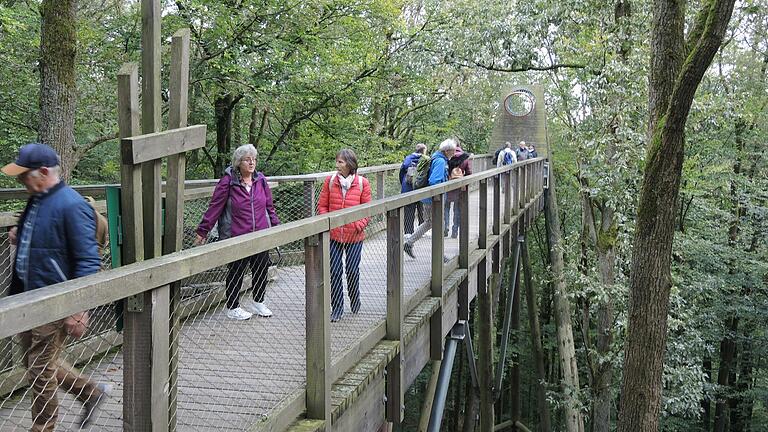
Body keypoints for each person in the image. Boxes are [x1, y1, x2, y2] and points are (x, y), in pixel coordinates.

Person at [2, 143, 109, 431]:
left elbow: (87, 260)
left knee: (39, 369)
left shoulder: (71, 205)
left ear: (44, 172)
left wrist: (77, 309)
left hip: (54, 300)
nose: (21, 181)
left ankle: (43, 427)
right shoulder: (38, 199)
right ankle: (90, 392)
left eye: (25, 175)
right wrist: (21, 234)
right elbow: (47, 238)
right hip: (27, 296)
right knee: (36, 361)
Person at [195, 144, 280, 320]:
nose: (251, 162)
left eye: (254, 159)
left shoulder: (260, 180)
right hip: (237, 235)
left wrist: (277, 227)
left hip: (260, 234)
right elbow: (215, 207)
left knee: (261, 268)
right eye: (247, 159)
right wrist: (203, 230)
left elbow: (269, 206)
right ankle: (233, 307)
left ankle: (258, 302)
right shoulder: (228, 182)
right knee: (237, 270)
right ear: (238, 162)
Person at [317, 149, 372, 322]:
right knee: (334, 272)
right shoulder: (330, 181)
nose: (337, 165)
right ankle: (338, 308)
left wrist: (358, 225)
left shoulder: (363, 183)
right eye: (337, 161)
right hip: (333, 235)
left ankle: (355, 300)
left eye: (340, 162)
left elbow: (367, 210)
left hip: (354, 237)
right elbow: (322, 205)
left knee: (352, 271)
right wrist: (328, 222)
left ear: (349, 164)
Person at [403, 138, 457, 259]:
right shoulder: (441, 161)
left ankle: (409, 243)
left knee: (429, 223)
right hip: (434, 200)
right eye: (453, 151)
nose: (454, 154)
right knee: (438, 225)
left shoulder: (436, 157)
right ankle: (439, 256)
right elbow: (434, 180)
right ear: (447, 150)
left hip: (429, 198)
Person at [444, 145, 472, 238]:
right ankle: (455, 231)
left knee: (446, 208)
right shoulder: (465, 158)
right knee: (457, 210)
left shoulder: (447, 157)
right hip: (459, 188)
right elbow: (469, 173)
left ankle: (445, 227)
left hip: (447, 187)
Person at [399, 143, 427, 234]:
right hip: (421, 188)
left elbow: (401, 172)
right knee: (421, 210)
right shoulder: (425, 160)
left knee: (408, 211)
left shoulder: (408, 159)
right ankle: (421, 231)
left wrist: (403, 184)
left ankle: (408, 232)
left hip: (408, 188)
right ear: (424, 151)